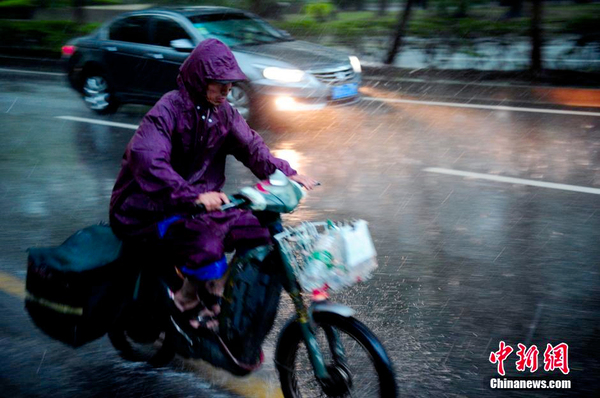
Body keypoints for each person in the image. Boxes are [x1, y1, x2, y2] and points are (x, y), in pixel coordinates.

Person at [109, 39, 317, 331]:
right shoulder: (168, 109)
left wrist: (286, 173)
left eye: (230, 85)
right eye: (220, 84)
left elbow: (252, 148)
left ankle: (218, 288)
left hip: (201, 205)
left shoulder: (224, 114)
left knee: (259, 233)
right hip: (148, 207)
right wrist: (192, 195)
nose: (227, 92)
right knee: (205, 243)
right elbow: (147, 159)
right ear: (200, 80)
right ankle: (185, 298)